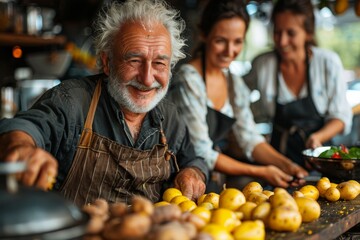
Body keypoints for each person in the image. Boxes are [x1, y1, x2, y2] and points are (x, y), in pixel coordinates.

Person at [0, 0, 208, 206]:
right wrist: (21, 147)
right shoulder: (72, 101)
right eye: (134, 60)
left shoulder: (169, 117)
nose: (147, 78)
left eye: (159, 63)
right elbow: (27, 127)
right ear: (107, 62)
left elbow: (192, 159)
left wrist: (193, 173)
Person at [168, 0, 308, 192]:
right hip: (182, 179)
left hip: (211, 179)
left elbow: (249, 137)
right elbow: (201, 151)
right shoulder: (189, 80)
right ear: (204, 35)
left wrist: (286, 164)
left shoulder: (234, 83)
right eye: (220, 41)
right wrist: (262, 171)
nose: (229, 51)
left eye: (237, 42)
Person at [243, 0, 353, 167]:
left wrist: (317, 137)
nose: (282, 41)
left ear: (308, 33)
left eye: (291, 33)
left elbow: (341, 117)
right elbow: (235, 95)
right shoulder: (263, 64)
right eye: (277, 32)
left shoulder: (327, 62)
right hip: (278, 161)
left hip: (321, 157)